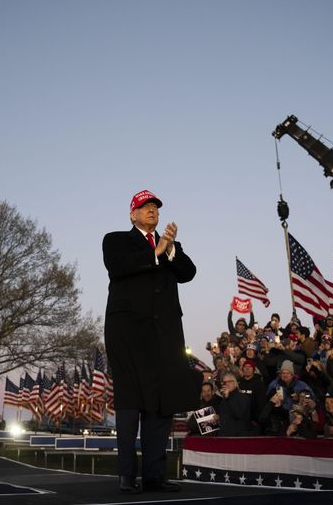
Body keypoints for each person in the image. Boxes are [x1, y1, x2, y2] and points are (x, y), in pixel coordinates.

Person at [102, 190, 198, 494]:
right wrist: (156, 251)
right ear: (133, 214)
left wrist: (169, 250)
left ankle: (155, 476)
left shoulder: (171, 247)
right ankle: (126, 475)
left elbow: (188, 273)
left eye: (155, 207)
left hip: (165, 335)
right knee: (131, 401)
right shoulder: (115, 240)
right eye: (145, 207)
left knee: (161, 403)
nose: (152, 210)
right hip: (128, 332)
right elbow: (118, 267)